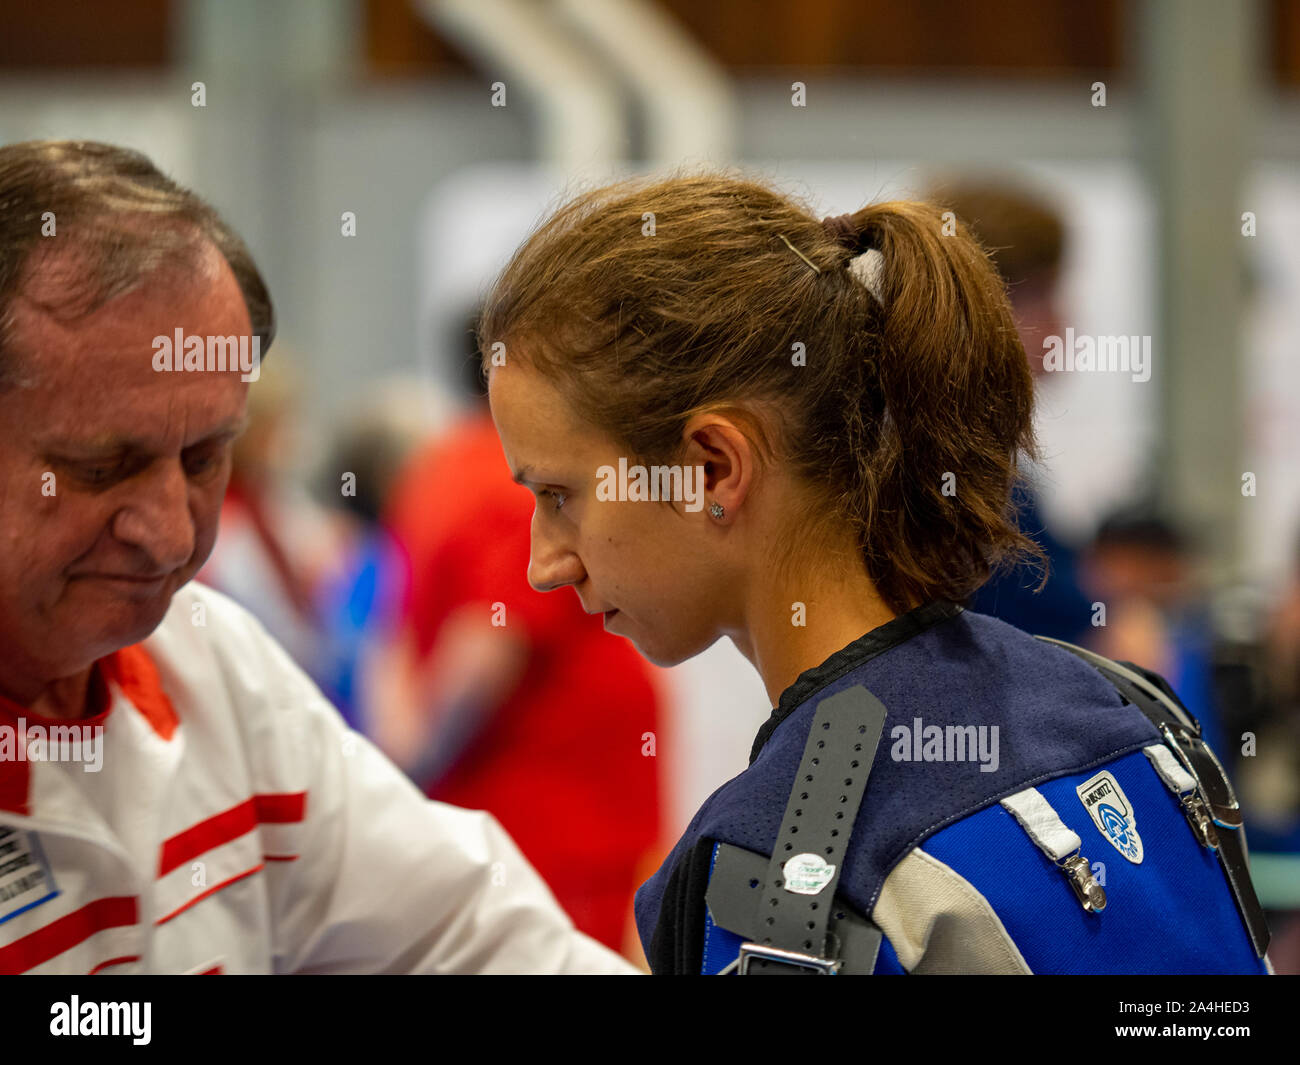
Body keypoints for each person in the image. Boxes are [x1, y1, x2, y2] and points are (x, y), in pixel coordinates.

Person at [479, 172, 1272, 974]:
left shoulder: (787, 873)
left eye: (560, 495)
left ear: (713, 468)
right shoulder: (1134, 709)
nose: (545, 562)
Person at [0, 140, 634, 975]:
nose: (171, 533)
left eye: (205, 459)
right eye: (100, 468)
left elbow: (465, 930)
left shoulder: (208, 662)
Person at [374, 317, 663, 954]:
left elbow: (392, 634)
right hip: (553, 846)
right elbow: (483, 653)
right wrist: (412, 761)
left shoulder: (434, 471)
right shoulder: (512, 479)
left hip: (510, 831)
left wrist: (402, 765)